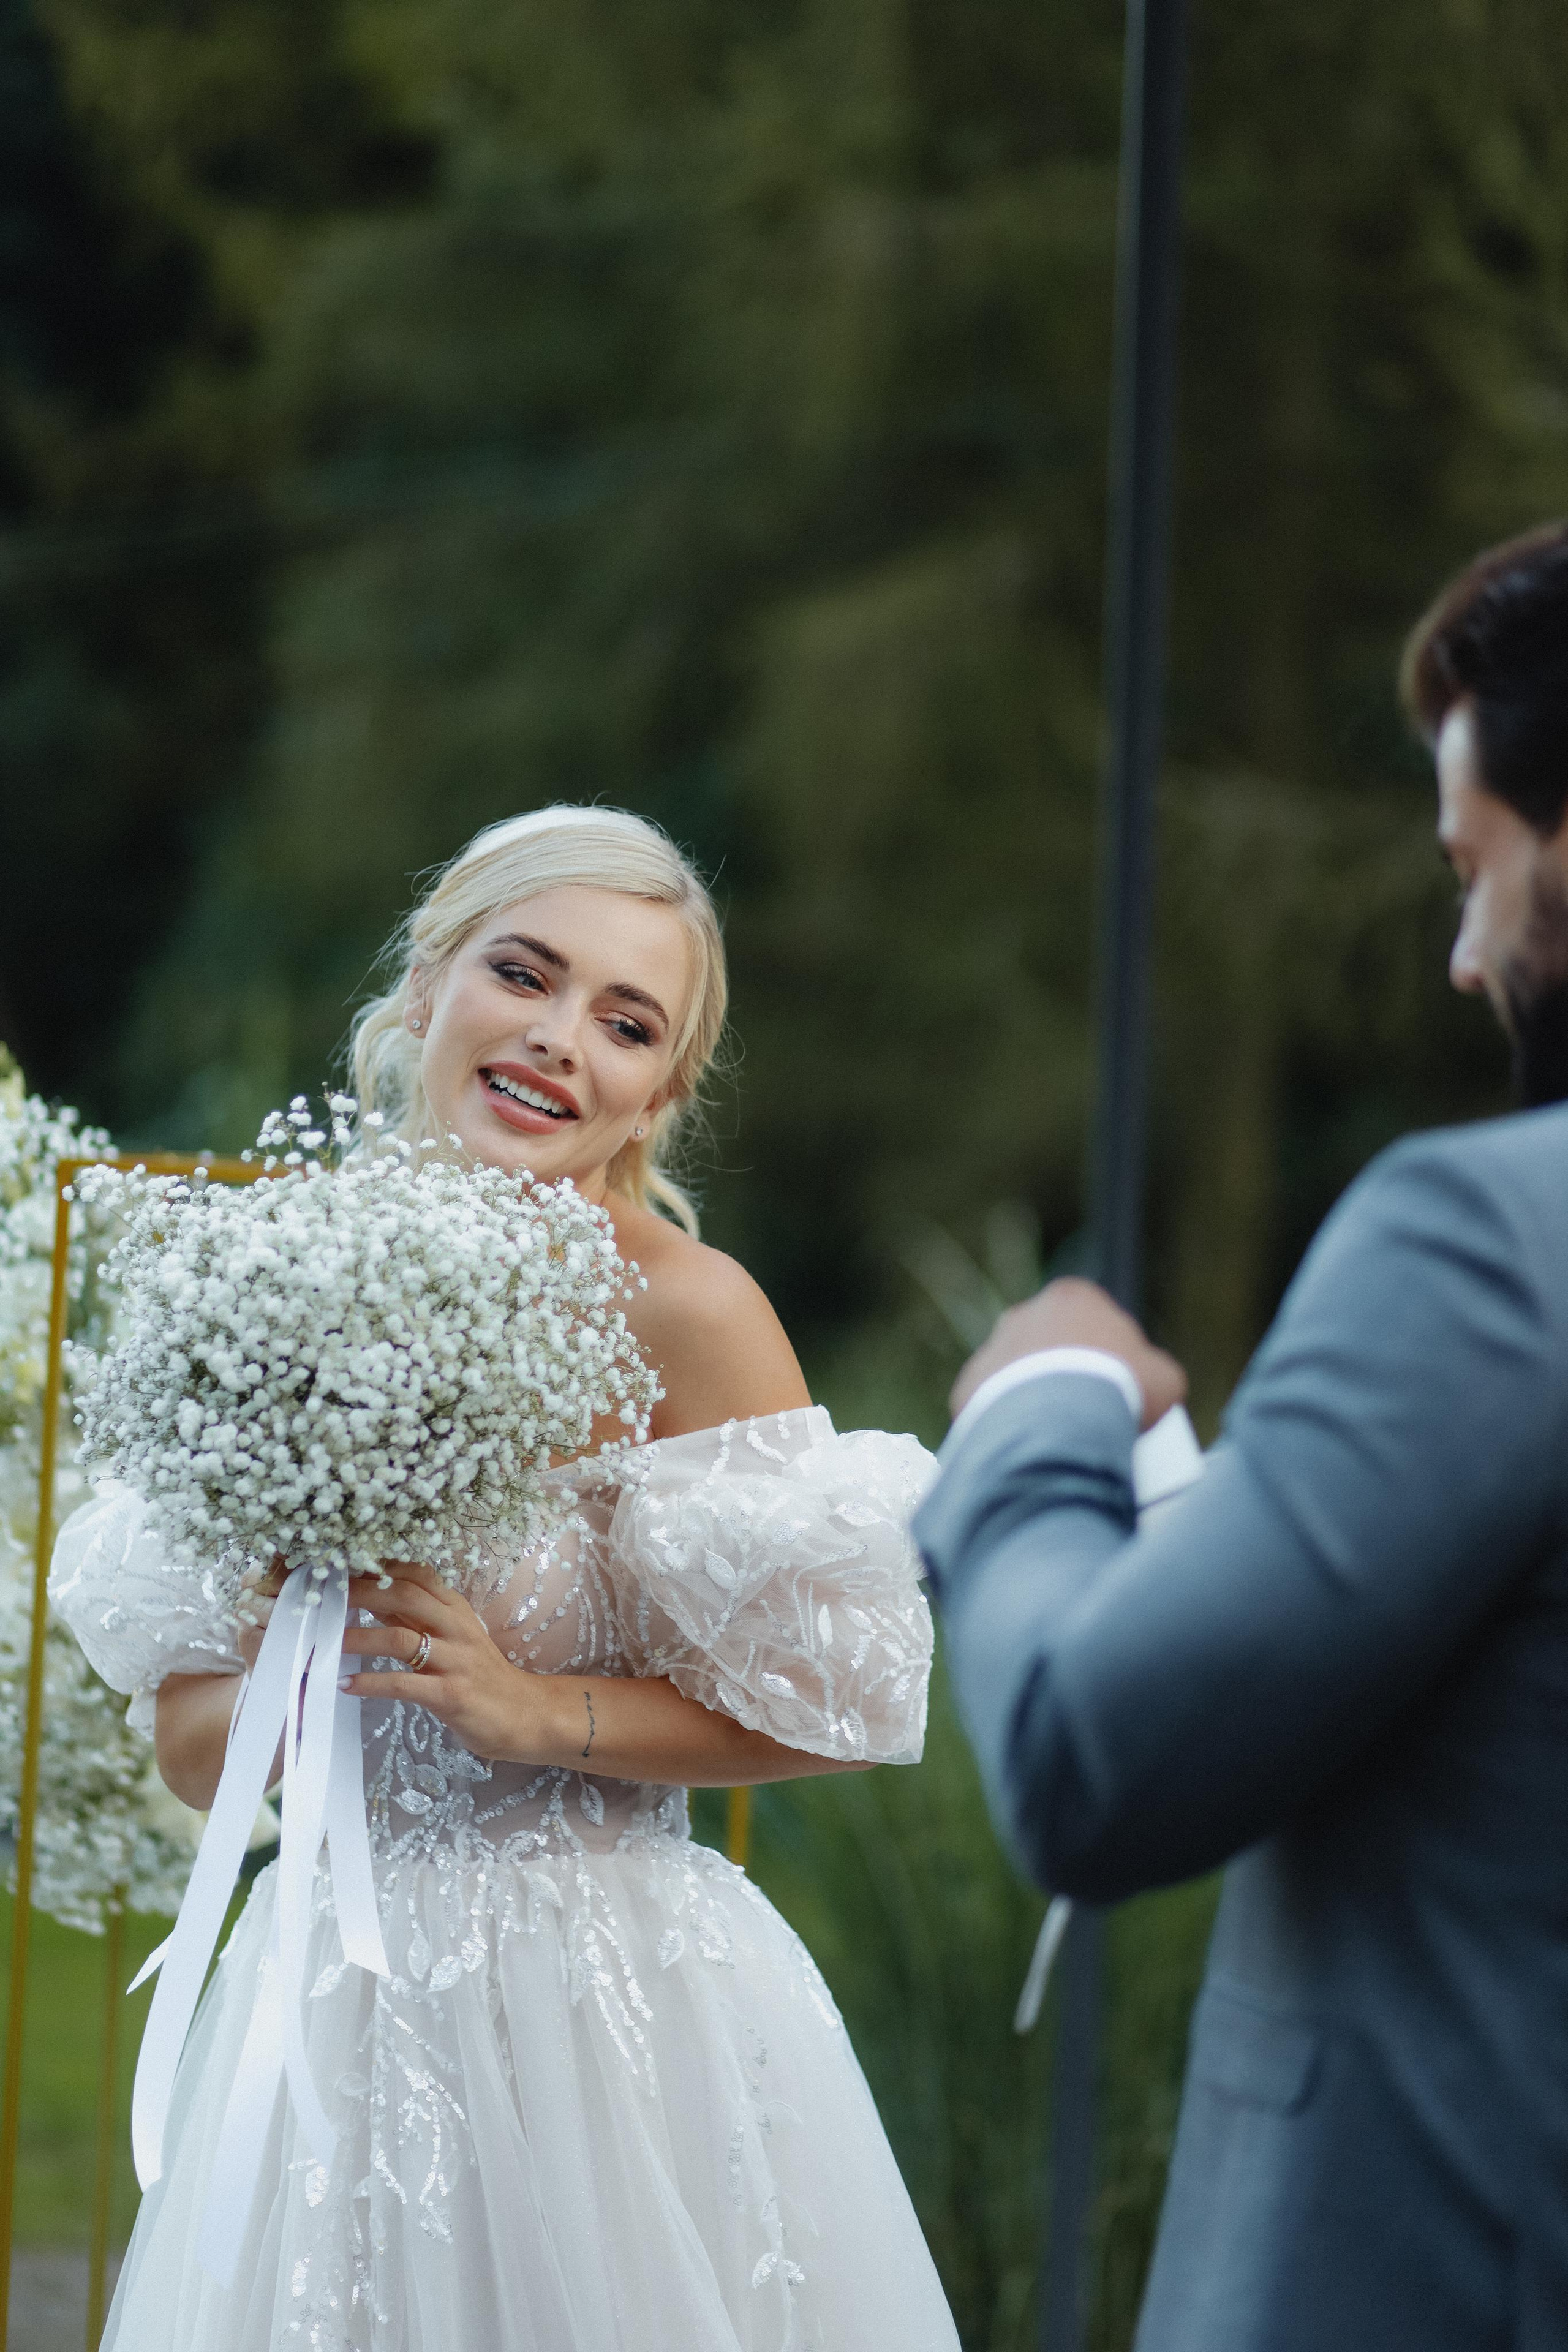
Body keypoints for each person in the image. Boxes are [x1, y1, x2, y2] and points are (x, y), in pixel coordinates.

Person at [53, 806, 960, 2352]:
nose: (558, 1042)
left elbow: (835, 1706)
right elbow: (194, 1759)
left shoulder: (689, 1316)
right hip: (323, 2015)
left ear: (658, 1089)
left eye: (623, 1023)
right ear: (429, 981)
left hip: (605, 2014)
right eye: (522, 975)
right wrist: (294, 1626)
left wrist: (538, 1714)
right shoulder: (277, 1286)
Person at [914, 519, 1568, 2350]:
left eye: (1478, 869)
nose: (1465, 956)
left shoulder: (1495, 1245)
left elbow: (1086, 1755)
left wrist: (1041, 1409)